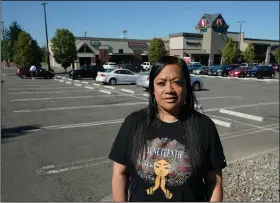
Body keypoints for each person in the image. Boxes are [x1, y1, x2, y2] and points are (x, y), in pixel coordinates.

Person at [108, 56, 227, 202]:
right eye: (161, 83)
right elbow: (120, 173)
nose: (169, 90)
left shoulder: (204, 126)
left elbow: (214, 181)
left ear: (186, 86)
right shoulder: (134, 123)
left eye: (177, 82)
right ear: (152, 88)